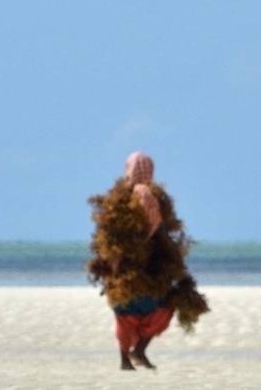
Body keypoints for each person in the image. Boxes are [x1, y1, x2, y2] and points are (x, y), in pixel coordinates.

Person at [87, 152, 209, 370]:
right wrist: (174, 260)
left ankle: (127, 358)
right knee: (161, 307)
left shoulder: (118, 199)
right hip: (148, 267)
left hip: (122, 267)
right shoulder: (151, 197)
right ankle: (139, 350)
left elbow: (106, 235)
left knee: (124, 313)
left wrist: (109, 261)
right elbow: (158, 229)